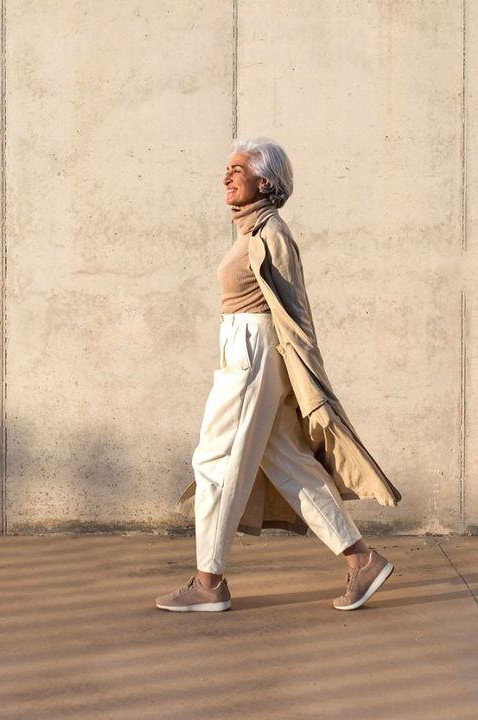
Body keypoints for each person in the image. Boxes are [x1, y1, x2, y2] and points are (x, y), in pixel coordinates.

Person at [157, 137, 403, 613]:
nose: (227, 176)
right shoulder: (251, 231)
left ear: (264, 182)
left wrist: (306, 376)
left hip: (253, 354)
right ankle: (362, 560)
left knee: (215, 462)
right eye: (226, 169)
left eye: (238, 169)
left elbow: (294, 313)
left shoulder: (271, 233)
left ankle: (208, 581)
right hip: (244, 351)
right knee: (287, 460)